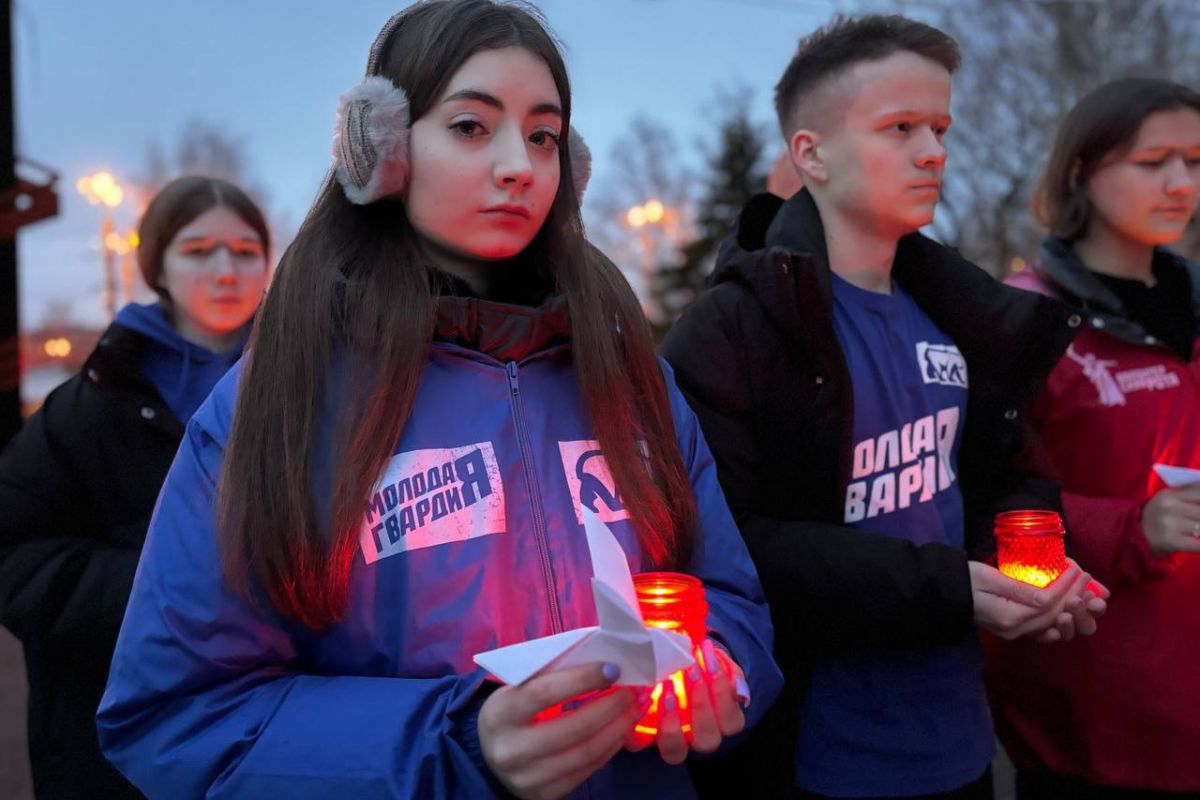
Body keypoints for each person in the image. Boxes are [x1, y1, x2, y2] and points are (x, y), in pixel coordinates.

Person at [95, 3, 781, 799]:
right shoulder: (283, 398)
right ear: (382, 149)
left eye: (542, 136)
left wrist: (717, 669)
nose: (518, 164)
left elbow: (730, 600)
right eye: (469, 126)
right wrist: (459, 742)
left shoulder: (632, 377)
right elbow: (178, 713)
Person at [661, 15, 1108, 800]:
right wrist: (950, 588)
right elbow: (731, 544)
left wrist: (1026, 563)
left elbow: (1013, 474)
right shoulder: (733, 327)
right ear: (812, 155)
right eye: (899, 128)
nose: (933, 152)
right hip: (814, 754)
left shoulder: (963, 310)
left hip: (961, 742)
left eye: (939, 127)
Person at [0, 175, 270, 800]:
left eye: (245, 249)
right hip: (114, 751)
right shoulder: (87, 406)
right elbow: (14, 552)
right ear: (158, 266)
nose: (225, 269)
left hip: (277, 724)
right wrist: (162, 593)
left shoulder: (317, 390)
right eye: (198, 250)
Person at [986, 77, 1200, 798]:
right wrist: (1134, 526)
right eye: (1153, 161)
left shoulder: (1194, 307)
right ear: (1082, 169)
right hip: (1098, 732)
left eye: (1196, 161)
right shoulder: (1024, 318)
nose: (1181, 182)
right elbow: (978, 503)